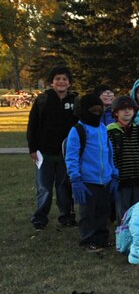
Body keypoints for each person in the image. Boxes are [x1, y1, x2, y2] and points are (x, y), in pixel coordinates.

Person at [28, 65, 79, 230]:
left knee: (64, 187)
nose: (61, 82)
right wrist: (33, 148)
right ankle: (40, 218)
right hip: (44, 153)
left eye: (64, 79)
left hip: (66, 153)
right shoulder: (42, 100)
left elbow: (79, 127)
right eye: (58, 79)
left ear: (69, 83)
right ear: (52, 82)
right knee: (44, 187)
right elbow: (33, 125)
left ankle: (66, 216)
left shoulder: (74, 102)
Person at [66, 93, 119, 250]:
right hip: (88, 180)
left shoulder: (103, 128)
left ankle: (102, 238)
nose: (96, 114)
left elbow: (109, 153)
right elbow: (72, 157)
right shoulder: (78, 130)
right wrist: (75, 179)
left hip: (106, 179)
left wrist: (114, 173)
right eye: (93, 111)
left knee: (103, 211)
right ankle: (88, 240)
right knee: (88, 214)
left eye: (99, 111)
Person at [107, 95, 139, 222]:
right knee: (123, 210)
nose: (127, 111)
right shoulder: (110, 131)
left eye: (130, 109)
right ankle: (123, 235)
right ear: (116, 112)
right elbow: (112, 156)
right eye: (123, 109)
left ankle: (136, 234)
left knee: (138, 209)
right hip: (122, 179)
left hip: (138, 177)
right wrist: (114, 177)